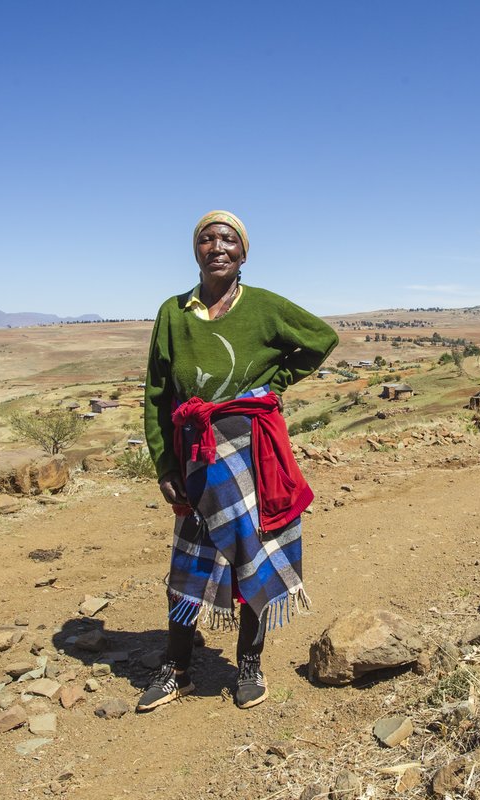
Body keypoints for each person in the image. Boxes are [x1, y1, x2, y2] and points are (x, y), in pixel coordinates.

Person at [138, 210, 338, 712]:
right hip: (196, 455)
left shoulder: (265, 307)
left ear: (243, 253)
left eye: (229, 239)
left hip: (254, 448)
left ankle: (249, 661)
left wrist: (274, 384)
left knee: (253, 553)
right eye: (207, 239)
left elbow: (321, 339)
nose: (218, 246)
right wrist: (164, 465)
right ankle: (176, 666)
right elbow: (157, 393)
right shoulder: (173, 313)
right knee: (189, 560)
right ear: (196, 251)